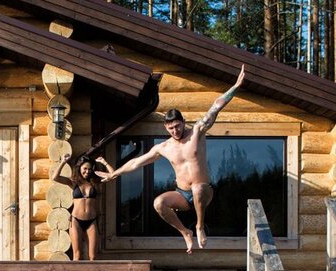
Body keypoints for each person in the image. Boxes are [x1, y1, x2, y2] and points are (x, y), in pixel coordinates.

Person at [99, 65, 246, 253]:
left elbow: (215, 107)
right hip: (182, 195)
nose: (175, 131)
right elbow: (136, 162)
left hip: (204, 192)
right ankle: (185, 232)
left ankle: (199, 226)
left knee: (198, 187)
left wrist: (236, 86)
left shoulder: (197, 132)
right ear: (165, 128)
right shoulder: (164, 147)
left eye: (177, 126)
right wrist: (115, 174)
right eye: (171, 128)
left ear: (183, 122)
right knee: (158, 203)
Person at [52, 153, 110, 260]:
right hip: (76, 221)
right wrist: (63, 162)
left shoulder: (94, 182)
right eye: (85, 169)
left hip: (91, 221)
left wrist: (104, 162)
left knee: (93, 256)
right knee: (77, 255)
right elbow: (55, 177)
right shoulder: (73, 182)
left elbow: (113, 175)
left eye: (90, 169)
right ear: (79, 168)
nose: (87, 171)